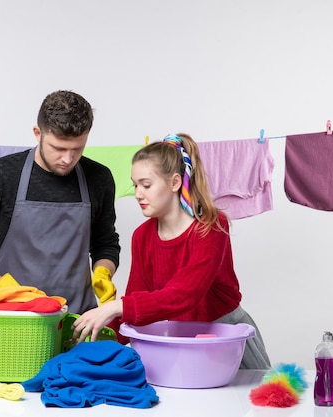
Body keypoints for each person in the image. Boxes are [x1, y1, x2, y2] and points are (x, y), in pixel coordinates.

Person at [72, 133, 271, 369]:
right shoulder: (142, 236)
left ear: (175, 182)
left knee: (250, 403)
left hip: (228, 342)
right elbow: (139, 302)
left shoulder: (211, 227)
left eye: (146, 185)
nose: (137, 194)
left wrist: (117, 306)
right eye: (135, 185)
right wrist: (95, 335)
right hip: (185, 344)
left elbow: (185, 293)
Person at [0, 90, 120, 314]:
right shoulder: (1, 176)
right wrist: (6, 290)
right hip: (17, 318)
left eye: (77, 149)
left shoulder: (99, 178)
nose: (68, 159)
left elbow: (105, 244)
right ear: (38, 133)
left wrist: (103, 272)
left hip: (80, 320)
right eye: (58, 148)